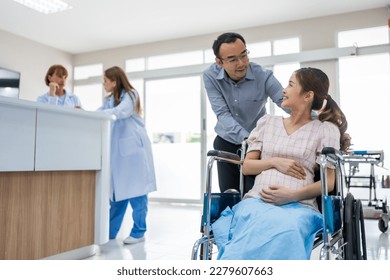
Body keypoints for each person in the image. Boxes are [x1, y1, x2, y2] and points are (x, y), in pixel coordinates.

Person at [211, 67, 351, 259]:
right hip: (256, 201)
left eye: (291, 84)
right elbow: (247, 166)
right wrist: (275, 162)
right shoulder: (267, 123)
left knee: (286, 229)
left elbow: (329, 182)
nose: (283, 90)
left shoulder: (325, 129)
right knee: (253, 225)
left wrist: (292, 196)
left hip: (300, 206)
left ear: (307, 95)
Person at [203, 32, 287, 194]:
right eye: (233, 59)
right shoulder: (210, 75)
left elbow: (285, 101)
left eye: (244, 55)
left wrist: (322, 120)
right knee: (230, 194)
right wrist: (248, 139)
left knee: (253, 192)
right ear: (219, 62)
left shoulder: (263, 75)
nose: (241, 63)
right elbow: (222, 113)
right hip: (227, 141)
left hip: (257, 145)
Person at [97, 66, 157, 245]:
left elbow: (120, 112)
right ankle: (109, 233)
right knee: (117, 195)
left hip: (134, 153)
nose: (104, 84)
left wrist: (95, 114)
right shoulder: (109, 100)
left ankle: (139, 232)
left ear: (114, 81)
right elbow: (100, 112)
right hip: (119, 156)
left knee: (137, 193)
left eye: (105, 81)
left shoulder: (131, 95)